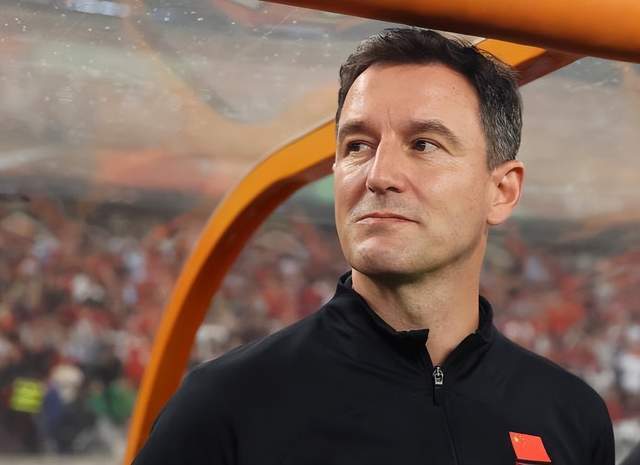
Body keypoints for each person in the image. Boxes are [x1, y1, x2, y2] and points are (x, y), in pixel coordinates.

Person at [133, 28, 614, 465]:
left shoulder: (570, 416)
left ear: (502, 191)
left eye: (424, 144)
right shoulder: (224, 407)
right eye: (357, 146)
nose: (379, 175)